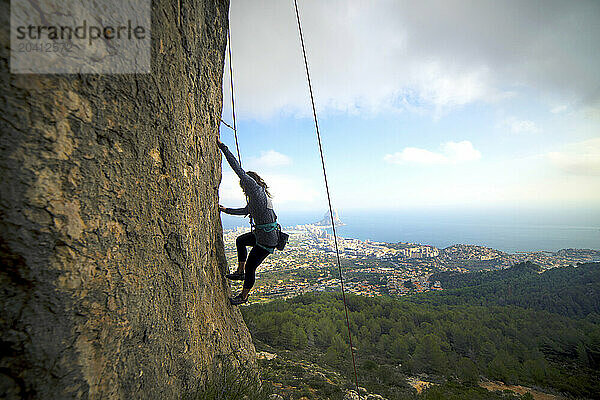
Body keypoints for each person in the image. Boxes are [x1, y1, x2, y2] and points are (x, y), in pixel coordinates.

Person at [217, 138, 279, 305]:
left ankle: (243, 297)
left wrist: (223, 147)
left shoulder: (254, 189)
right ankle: (239, 272)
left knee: (252, 266)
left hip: (267, 238)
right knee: (241, 240)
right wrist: (225, 210)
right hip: (265, 234)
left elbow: (237, 169)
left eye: (243, 185)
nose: (242, 187)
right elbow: (244, 211)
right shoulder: (257, 197)